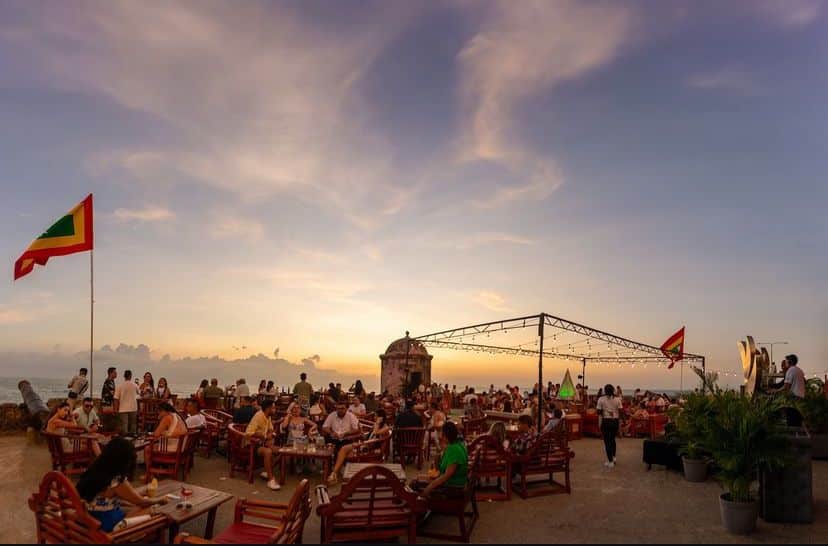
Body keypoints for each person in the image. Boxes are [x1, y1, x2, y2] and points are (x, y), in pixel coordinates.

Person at [76, 438, 167, 532]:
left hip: (90, 518)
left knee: (133, 505)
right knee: (151, 508)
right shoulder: (116, 480)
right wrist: (161, 500)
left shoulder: (94, 470)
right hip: (108, 524)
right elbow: (141, 502)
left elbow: (121, 496)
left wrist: (143, 492)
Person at [327, 409, 392, 484]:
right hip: (365, 446)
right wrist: (361, 431)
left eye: (376, 416)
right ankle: (335, 473)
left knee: (344, 451)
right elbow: (369, 436)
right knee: (343, 449)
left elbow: (375, 433)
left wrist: (377, 423)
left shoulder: (385, 428)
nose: (374, 418)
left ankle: (335, 473)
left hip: (371, 451)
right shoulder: (376, 425)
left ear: (381, 418)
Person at [416, 421, 468, 499]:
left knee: (414, 484)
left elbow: (446, 476)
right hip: (452, 483)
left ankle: (418, 507)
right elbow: (440, 470)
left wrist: (428, 488)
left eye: (441, 433)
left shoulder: (454, 449)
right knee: (417, 479)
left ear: (445, 436)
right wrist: (437, 460)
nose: (440, 436)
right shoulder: (458, 444)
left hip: (453, 487)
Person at [245, 400, 281, 490]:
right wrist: (264, 436)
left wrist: (271, 437)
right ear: (268, 409)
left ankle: (266, 471)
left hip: (262, 443)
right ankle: (271, 479)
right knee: (268, 452)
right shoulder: (258, 416)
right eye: (273, 408)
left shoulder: (267, 417)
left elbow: (271, 430)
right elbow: (249, 432)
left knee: (281, 451)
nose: (275, 409)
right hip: (252, 444)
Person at [772, 354, 806, 426]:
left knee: (791, 417)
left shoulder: (790, 371)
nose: (785, 363)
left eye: (786, 362)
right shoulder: (799, 370)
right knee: (796, 418)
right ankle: (797, 433)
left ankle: (792, 431)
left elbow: (786, 387)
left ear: (790, 362)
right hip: (801, 396)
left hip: (794, 396)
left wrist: (776, 391)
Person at [597, 384, 622, 468]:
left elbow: (599, 414)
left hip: (606, 422)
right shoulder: (618, 399)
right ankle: (614, 457)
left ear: (605, 390)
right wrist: (619, 424)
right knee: (612, 440)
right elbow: (620, 412)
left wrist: (599, 425)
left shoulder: (601, 399)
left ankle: (610, 461)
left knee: (607, 442)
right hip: (615, 421)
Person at [114, 370, 140, 435]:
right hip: (133, 408)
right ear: (131, 376)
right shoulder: (134, 385)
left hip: (122, 409)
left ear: (124, 376)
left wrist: (115, 409)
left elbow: (116, 398)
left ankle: (124, 441)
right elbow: (139, 393)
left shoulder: (120, 386)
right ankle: (133, 442)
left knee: (124, 426)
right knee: (133, 426)